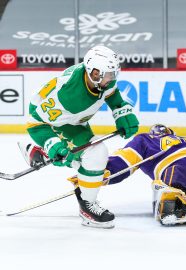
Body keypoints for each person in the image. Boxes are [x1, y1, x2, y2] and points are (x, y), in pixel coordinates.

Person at [26, 45, 139, 228]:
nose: (111, 79)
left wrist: (122, 113)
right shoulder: (68, 93)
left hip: (74, 122)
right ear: (94, 73)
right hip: (53, 122)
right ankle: (87, 205)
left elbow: (112, 94)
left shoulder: (102, 79)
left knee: (89, 158)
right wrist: (51, 143)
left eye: (113, 74)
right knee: (95, 154)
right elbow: (36, 124)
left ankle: (39, 153)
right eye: (108, 75)